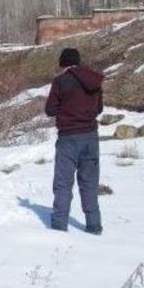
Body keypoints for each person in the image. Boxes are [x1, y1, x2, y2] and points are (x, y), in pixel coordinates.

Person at [44, 47, 104, 235]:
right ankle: (94, 227)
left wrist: (66, 109)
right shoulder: (95, 81)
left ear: (63, 64)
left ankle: (59, 227)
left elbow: (50, 110)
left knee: (63, 183)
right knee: (89, 183)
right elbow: (99, 108)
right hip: (90, 137)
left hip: (68, 138)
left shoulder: (60, 82)